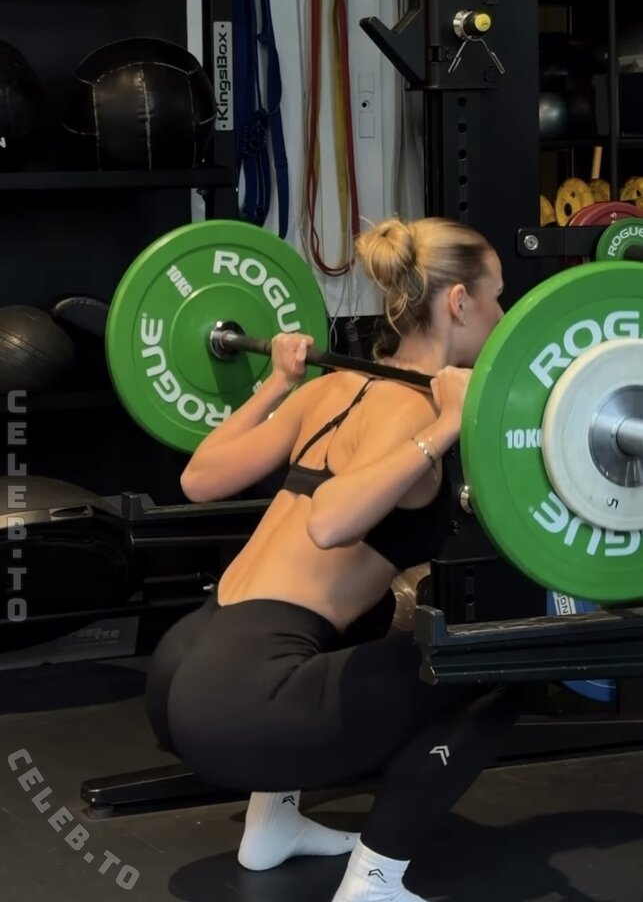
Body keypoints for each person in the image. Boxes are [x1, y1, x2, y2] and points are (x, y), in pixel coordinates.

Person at [145, 216, 521, 902]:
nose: (502, 315)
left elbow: (197, 476)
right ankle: (376, 881)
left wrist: (276, 382)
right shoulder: (418, 412)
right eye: (496, 297)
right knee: (502, 670)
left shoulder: (329, 387)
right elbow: (328, 522)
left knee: (369, 612)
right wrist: (445, 424)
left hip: (185, 666)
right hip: (244, 704)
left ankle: (272, 825)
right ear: (458, 302)